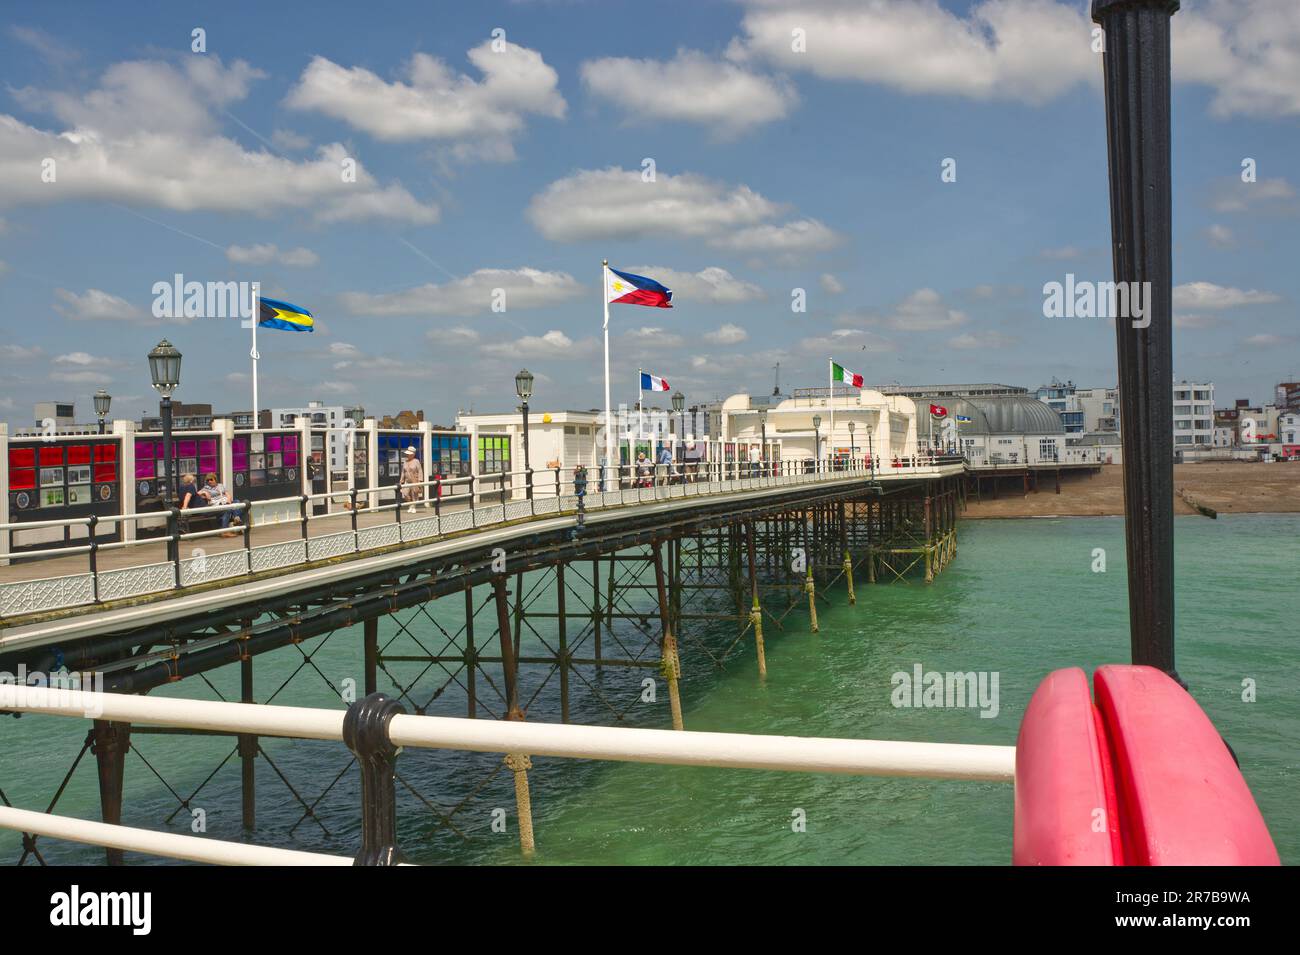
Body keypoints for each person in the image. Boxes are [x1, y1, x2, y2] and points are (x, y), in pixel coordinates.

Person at [399, 447, 425, 513]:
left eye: (409, 454)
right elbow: (403, 472)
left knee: (414, 494)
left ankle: (413, 507)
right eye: (407, 454)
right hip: (407, 481)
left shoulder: (416, 461)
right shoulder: (405, 462)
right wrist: (401, 480)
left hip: (414, 480)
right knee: (405, 494)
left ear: (413, 454)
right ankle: (411, 504)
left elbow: (420, 471)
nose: (408, 455)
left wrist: (420, 480)